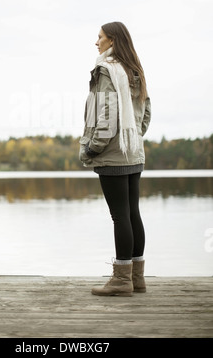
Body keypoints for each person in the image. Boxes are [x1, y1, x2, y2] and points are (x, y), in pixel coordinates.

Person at [79, 21, 151, 297]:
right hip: (133, 151)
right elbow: (145, 112)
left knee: (120, 216)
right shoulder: (135, 70)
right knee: (132, 213)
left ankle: (122, 281)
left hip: (113, 155)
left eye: (99, 37)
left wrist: (93, 149)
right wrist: (133, 139)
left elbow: (106, 116)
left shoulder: (105, 70)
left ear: (112, 41)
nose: (96, 42)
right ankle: (137, 279)